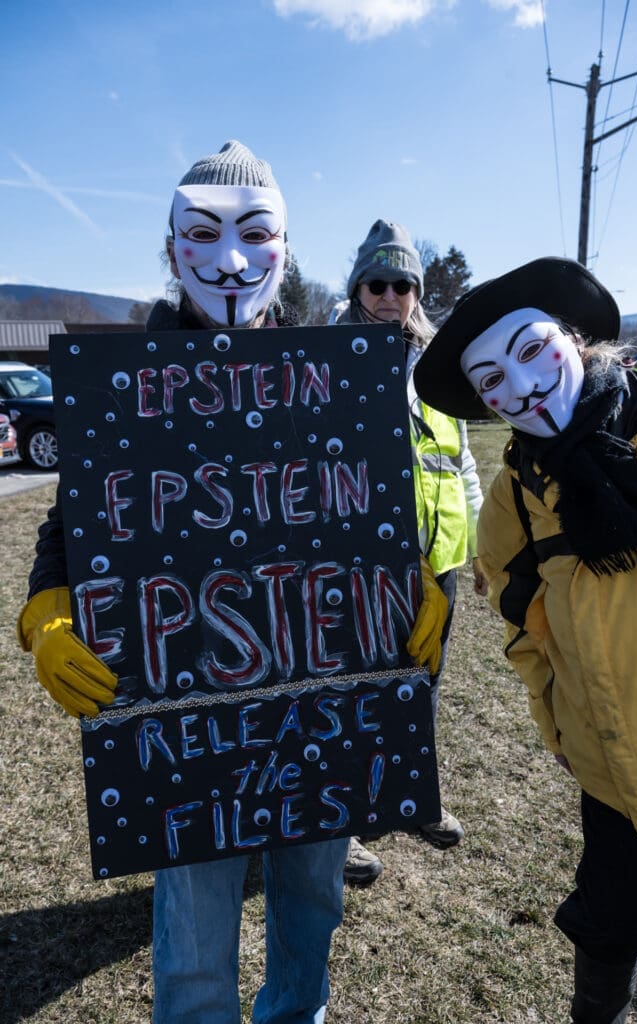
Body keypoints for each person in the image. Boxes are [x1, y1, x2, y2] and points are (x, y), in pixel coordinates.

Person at [16, 142, 448, 1024]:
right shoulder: (124, 380)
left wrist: (413, 577)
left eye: (255, 234)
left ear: (285, 247)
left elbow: (366, 499)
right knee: (194, 926)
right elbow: (74, 518)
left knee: (313, 901)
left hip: (321, 700)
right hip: (187, 716)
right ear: (171, 247)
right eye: (204, 235)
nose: (231, 261)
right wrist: (49, 611)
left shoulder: (332, 369)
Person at [413, 256, 637, 1024]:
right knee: (613, 915)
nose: (524, 386)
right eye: (492, 379)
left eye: (531, 349)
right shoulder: (513, 498)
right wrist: (555, 721)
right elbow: (521, 624)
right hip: (614, 753)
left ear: (574, 338)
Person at [330, 219, 487, 884]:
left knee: (422, 683)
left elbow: (460, 460)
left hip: (436, 561)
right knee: (350, 691)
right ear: (357, 288)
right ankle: (342, 820)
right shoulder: (325, 357)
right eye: (378, 283)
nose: (391, 296)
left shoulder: (435, 364)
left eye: (404, 285)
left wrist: (478, 547)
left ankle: (412, 795)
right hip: (361, 567)